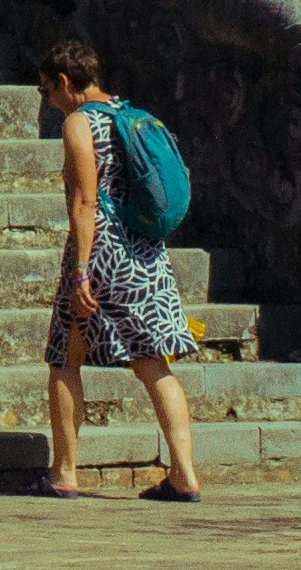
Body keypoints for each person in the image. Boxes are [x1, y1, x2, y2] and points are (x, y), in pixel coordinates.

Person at [36, 41, 206, 502]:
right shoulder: (129, 114)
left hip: (103, 254)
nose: (48, 100)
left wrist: (80, 270)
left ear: (64, 83)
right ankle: (184, 474)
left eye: (47, 90)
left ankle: (64, 472)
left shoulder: (79, 122)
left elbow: (85, 201)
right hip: (146, 253)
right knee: (153, 363)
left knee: (63, 359)